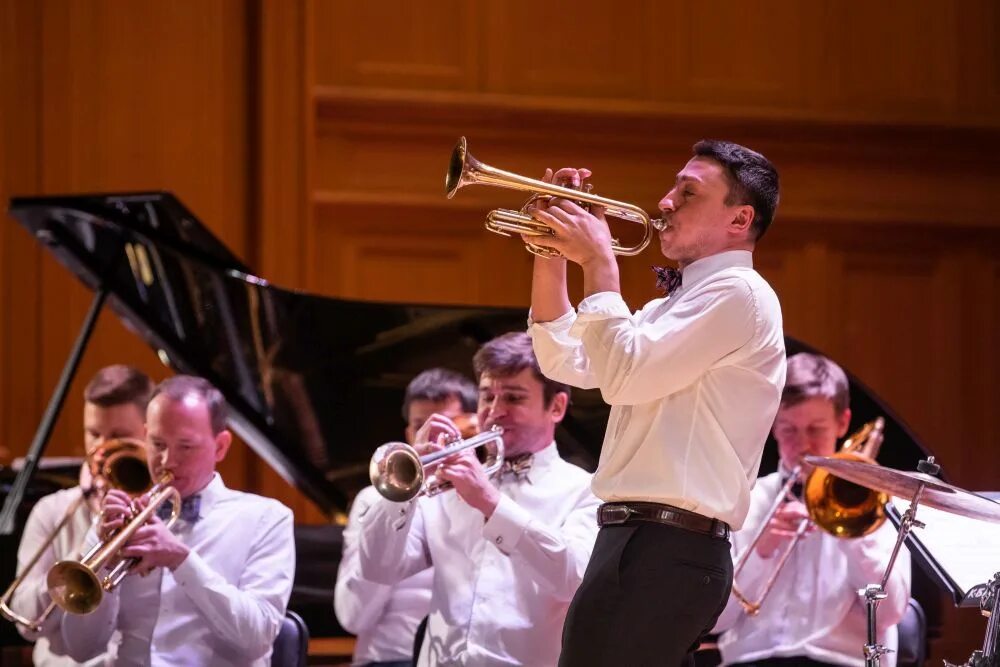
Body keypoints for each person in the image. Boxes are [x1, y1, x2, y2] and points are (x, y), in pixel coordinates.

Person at [527, 140, 786, 666]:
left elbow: (622, 376)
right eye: (673, 187)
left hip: (667, 547)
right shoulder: (673, 304)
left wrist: (599, 258)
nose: (665, 201)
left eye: (688, 193)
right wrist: (549, 254)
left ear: (739, 219)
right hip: (640, 542)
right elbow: (568, 361)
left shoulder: (740, 293)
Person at [357, 332, 601, 666]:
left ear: (556, 407)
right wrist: (406, 491)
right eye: (487, 397)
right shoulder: (447, 487)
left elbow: (573, 581)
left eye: (513, 398)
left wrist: (490, 503)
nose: (494, 412)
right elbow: (377, 567)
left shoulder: (584, 490)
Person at [59, 375, 295, 666]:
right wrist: (103, 561)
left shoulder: (267, 519)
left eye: (185, 446)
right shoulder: (117, 521)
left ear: (220, 446)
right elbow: (80, 649)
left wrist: (180, 559)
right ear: (144, 435)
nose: (167, 461)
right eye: (157, 444)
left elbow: (257, 639)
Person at [714, 352, 911, 667]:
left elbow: (890, 613)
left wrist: (849, 528)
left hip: (840, 661)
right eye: (789, 430)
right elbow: (715, 621)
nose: (802, 445)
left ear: (842, 423)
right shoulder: (745, 500)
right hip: (751, 660)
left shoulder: (877, 503)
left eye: (816, 429)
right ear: (772, 427)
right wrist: (760, 551)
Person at [11, 365, 153, 667]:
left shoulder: (163, 515)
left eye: (119, 436)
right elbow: (24, 623)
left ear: (148, 433)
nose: (102, 449)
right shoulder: (52, 510)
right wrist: (87, 552)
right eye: (94, 434)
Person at [335, 367, 478, 667]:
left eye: (447, 425)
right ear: (409, 435)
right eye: (420, 426)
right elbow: (352, 616)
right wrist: (399, 504)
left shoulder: (481, 495)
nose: (432, 437)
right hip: (387, 659)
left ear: (470, 429)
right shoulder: (375, 499)